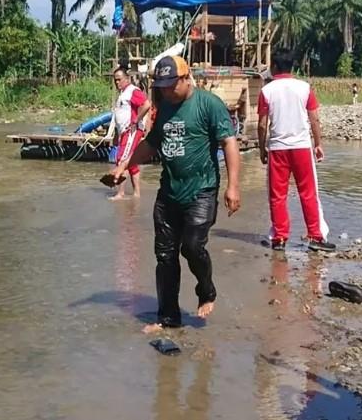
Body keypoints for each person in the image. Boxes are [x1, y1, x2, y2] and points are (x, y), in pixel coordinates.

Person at [111, 55, 241, 332]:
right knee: (165, 256)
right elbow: (151, 144)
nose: (166, 91)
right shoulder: (165, 108)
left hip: (202, 190)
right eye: (162, 86)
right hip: (169, 191)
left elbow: (229, 142)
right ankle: (168, 317)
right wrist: (125, 165)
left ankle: (206, 290)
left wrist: (232, 186)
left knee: (192, 247)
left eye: (171, 85)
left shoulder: (208, 105)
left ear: (185, 78)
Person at [257, 48, 334, 253]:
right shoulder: (304, 88)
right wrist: (318, 144)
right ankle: (316, 236)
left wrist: (262, 147)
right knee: (308, 193)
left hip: (278, 149)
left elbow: (263, 124)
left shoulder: (267, 91)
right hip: (301, 147)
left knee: (277, 195)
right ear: (292, 66)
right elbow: (314, 118)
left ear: (274, 66)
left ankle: (280, 238)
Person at [110, 67, 151, 200]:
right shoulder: (122, 94)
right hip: (124, 132)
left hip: (131, 131)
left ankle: (120, 193)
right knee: (131, 162)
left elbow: (146, 104)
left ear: (127, 79)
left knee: (121, 159)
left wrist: (136, 119)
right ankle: (137, 194)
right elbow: (119, 117)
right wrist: (117, 135)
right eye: (115, 80)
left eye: (119, 80)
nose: (117, 83)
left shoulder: (132, 91)